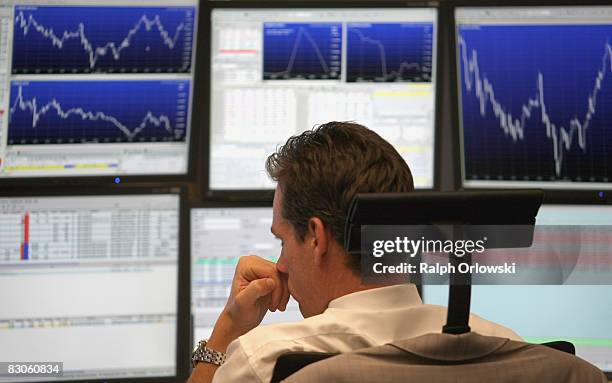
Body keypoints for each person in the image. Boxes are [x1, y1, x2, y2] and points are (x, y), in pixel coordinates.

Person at [188, 122, 520, 383]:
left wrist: (226, 332)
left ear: (316, 237)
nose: (281, 265)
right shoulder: (507, 348)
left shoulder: (266, 360)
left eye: (283, 242)